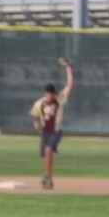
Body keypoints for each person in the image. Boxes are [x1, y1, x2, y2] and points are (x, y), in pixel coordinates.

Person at [29, 59, 75, 190]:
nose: (49, 95)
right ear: (45, 93)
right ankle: (47, 176)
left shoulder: (59, 100)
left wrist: (69, 69)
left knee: (48, 151)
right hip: (45, 131)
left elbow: (70, 85)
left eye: (51, 93)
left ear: (54, 93)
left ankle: (48, 179)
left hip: (56, 130)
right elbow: (34, 114)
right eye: (47, 93)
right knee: (45, 154)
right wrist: (36, 123)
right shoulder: (40, 103)